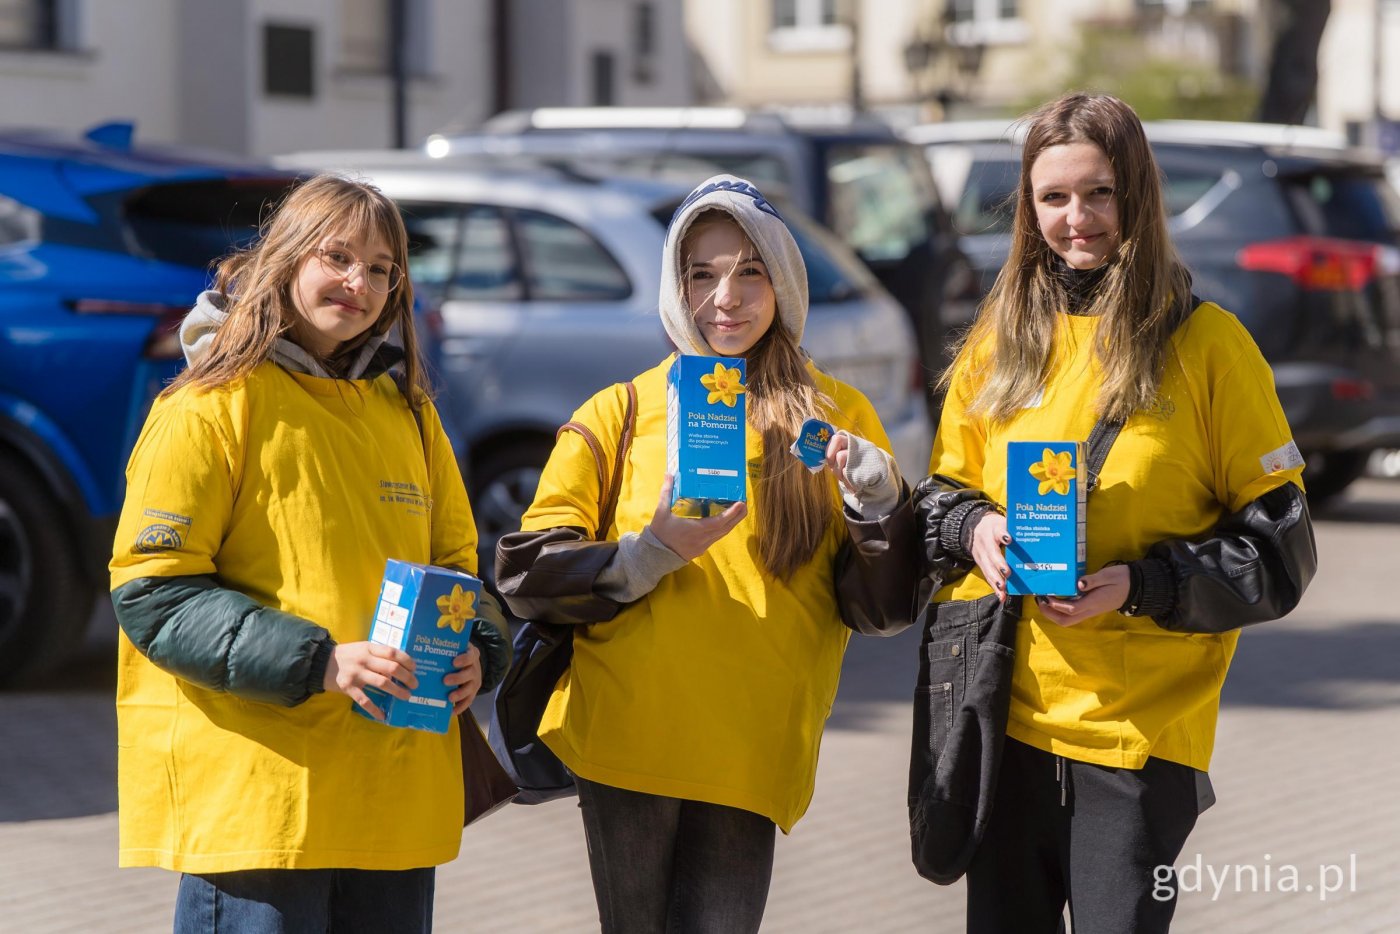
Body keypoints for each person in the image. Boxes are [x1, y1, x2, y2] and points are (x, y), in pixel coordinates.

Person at [914, 93, 1317, 933]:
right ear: (1028, 209)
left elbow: (1280, 555)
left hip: (1138, 744)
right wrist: (973, 529)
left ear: (1137, 197)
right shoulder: (1000, 342)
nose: (1077, 219)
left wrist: (1141, 584)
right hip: (1005, 718)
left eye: (1099, 193)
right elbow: (943, 497)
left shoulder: (1210, 347)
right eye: (1053, 198)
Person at [495, 175, 918, 933]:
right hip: (628, 743)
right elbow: (527, 572)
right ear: (674, 286)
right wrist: (649, 553)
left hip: (749, 751)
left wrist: (879, 502)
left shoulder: (836, 418)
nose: (726, 297)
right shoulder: (620, 411)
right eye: (702, 273)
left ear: (782, 283)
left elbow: (879, 609)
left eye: (749, 271)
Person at [109, 174, 511, 933]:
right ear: (287, 258)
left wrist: (479, 652)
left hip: (393, 809)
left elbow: (462, 569)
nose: (360, 282)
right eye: (339, 257)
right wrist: (320, 661)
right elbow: (153, 593)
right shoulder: (208, 407)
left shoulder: (412, 417)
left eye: (382, 268)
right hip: (263, 809)